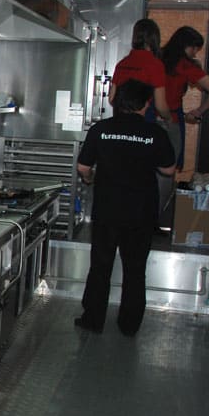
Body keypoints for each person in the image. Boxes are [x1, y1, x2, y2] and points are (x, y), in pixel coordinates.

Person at [74, 79, 177, 337]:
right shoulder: (155, 133)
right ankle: (129, 324)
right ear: (145, 104)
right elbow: (168, 170)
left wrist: (90, 178)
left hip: (107, 210)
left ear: (118, 102)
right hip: (141, 212)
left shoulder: (101, 129)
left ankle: (93, 319)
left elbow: (83, 167)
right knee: (135, 269)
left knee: (100, 266)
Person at [160, 25, 209, 169]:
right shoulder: (185, 65)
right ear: (188, 46)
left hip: (148, 119)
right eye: (194, 49)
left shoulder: (157, 58)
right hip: (171, 121)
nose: (194, 54)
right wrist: (198, 112)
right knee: (168, 167)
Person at [109, 18, 172, 124]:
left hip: (121, 120)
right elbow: (160, 105)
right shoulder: (156, 65)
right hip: (144, 119)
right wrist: (169, 118)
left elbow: (112, 98)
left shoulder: (122, 63)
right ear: (155, 38)